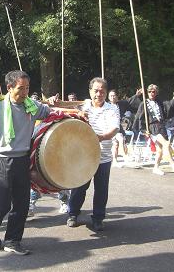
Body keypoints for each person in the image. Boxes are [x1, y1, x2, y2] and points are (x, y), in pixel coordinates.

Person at [0, 70, 53, 255]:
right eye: (21, 88)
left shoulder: (31, 105)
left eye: (27, 88)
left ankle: (12, 241)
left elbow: (49, 112)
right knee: (2, 203)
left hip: (22, 158)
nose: (25, 92)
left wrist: (52, 102)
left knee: (22, 203)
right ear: (9, 88)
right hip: (2, 159)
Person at [67, 77, 120, 231]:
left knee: (101, 189)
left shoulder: (112, 109)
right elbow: (63, 105)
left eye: (102, 91)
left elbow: (115, 129)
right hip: (83, 156)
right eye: (96, 90)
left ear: (106, 92)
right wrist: (53, 101)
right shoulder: (84, 105)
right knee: (79, 186)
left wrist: (100, 138)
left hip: (103, 156)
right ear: (90, 91)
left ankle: (98, 218)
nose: (99, 94)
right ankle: (72, 214)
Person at [134, 85, 174, 175]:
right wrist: (144, 130)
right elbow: (139, 118)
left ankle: (156, 167)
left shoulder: (159, 102)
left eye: (153, 91)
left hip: (161, 127)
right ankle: (173, 164)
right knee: (166, 143)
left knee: (159, 149)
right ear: (147, 92)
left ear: (156, 93)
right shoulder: (144, 104)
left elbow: (168, 108)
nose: (151, 93)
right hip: (152, 128)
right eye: (149, 91)